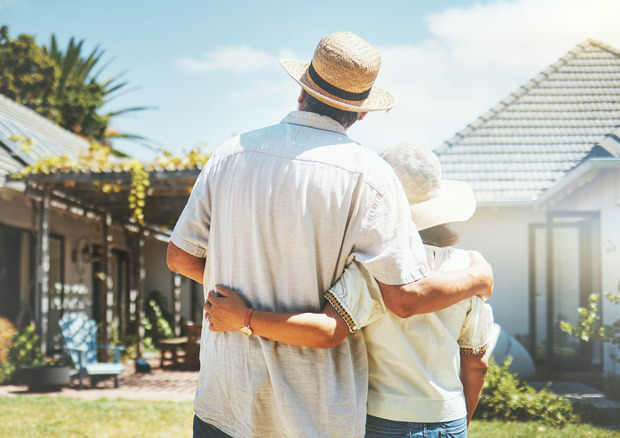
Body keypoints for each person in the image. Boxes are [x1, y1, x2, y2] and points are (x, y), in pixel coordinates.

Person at [167, 31, 493, 437]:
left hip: (225, 396)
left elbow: (180, 257)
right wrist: (480, 277)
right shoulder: (370, 176)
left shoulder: (231, 153)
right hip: (312, 409)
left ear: (302, 91)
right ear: (361, 113)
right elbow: (403, 297)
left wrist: (245, 300)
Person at [205, 142, 494, 437]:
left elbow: (329, 330)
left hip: (385, 420)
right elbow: (476, 363)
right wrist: (459, 423)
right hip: (451, 420)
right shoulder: (468, 268)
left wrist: (244, 317)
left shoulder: (376, 269)